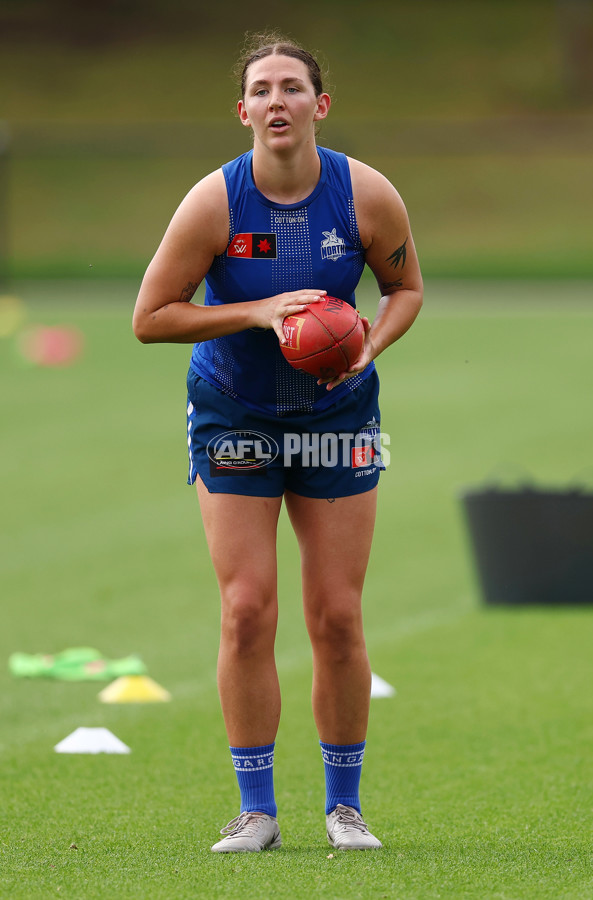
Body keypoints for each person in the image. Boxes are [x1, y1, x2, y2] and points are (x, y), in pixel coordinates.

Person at [133, 32, 423, 853]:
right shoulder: (214, 203)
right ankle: (255, 809)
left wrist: (369, 345)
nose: (277, 102)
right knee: (246, 610)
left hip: (338, 418)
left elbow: (404, 287)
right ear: (244, 111)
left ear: (319, 105)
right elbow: (151, 318)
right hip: (236, 414)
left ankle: (345, 807)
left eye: (292, 87)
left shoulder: (365, 196)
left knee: (336, 616)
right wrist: (257, 313)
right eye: (261, 90)